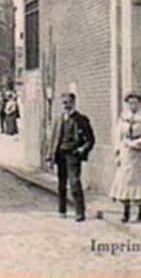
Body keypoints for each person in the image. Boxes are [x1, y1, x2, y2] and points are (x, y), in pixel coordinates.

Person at [109, 92, 141, 223]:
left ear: (139, 103)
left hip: (140, 152)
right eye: (130, 103)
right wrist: (118, 151)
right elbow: (117, 135)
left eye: (135, 103)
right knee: (125, 180)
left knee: (140, 181)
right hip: (127, 151)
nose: (133, 105)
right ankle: (126, 212)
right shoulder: (123, 117)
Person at [46, 92, 96, 221]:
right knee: (61, 184)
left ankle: (80, 212)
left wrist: (81, 150)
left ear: (74, 103)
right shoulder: (59, 119)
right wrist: (49, 155)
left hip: (73, 155)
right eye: (63, 103)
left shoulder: (81, 119)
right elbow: (53, 139)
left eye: (68, 102)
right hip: (60, 154)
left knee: (74, 182)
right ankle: (62, 210)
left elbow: (90, 140)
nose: (66, 105)